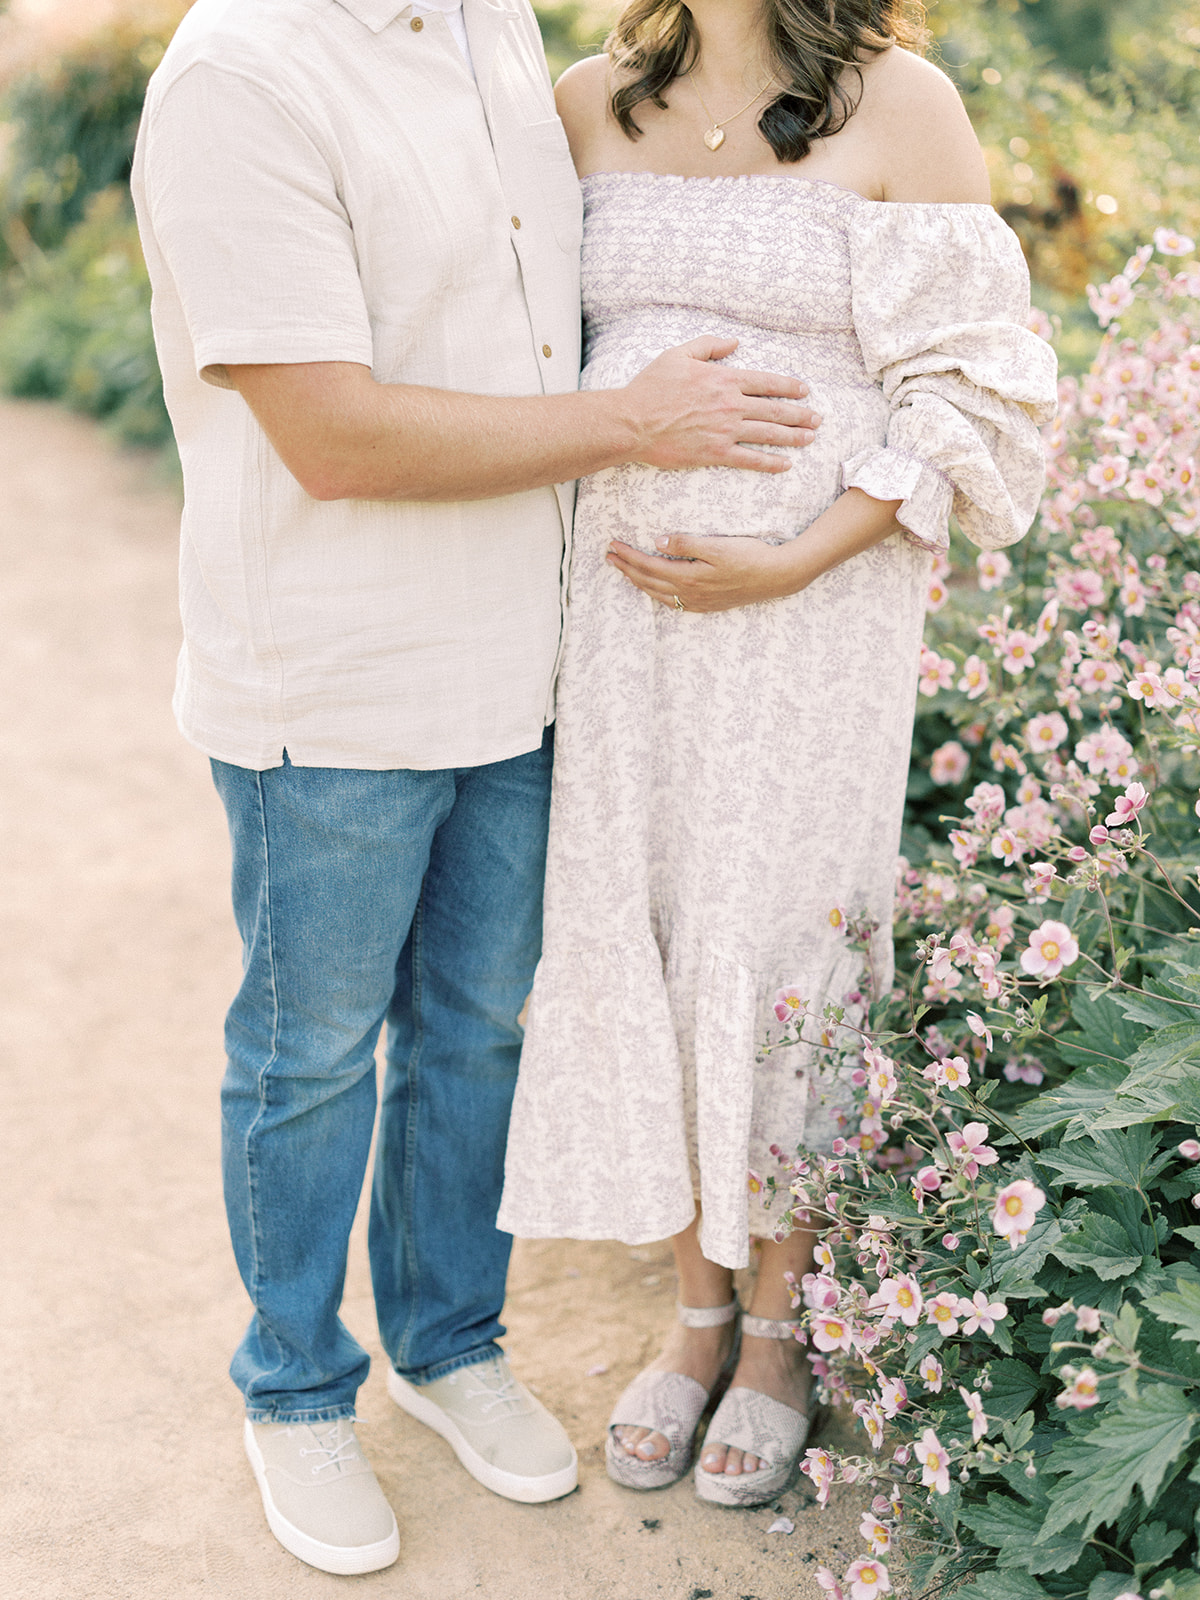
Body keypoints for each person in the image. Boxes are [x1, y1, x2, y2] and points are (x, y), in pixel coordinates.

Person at [130, 0, 824, 1576]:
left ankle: (449, 1348)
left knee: (479, 1029)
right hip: (336, 676)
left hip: (528, 662)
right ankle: (297, 1391)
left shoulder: (496, 26)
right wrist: (639, 423)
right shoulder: (243, 70)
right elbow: (333, 435)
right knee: (310, 1052)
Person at [497, 0, 1058, 1507]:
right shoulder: (584, 97)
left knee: (784, 951)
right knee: (665, 934)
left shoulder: (904, 100)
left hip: (817, 626)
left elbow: (977, 380)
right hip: (625, 635)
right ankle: (693, 1321)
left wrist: (798, 553)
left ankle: (778, 1341)